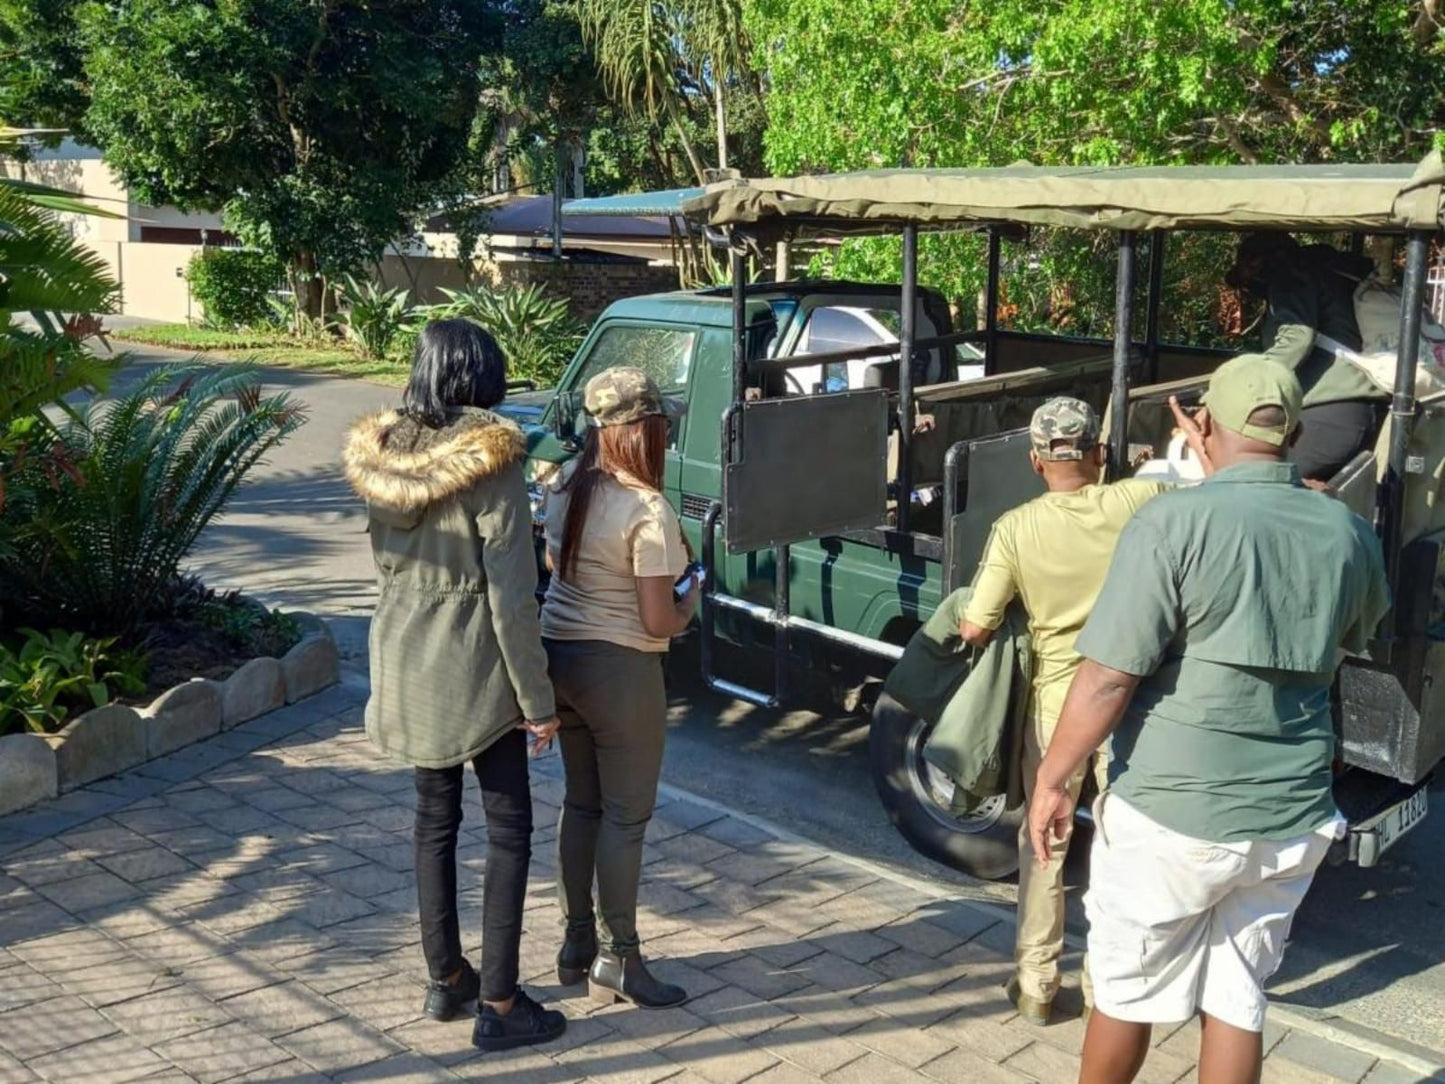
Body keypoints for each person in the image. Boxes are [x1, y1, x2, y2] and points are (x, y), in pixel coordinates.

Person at [1027, 356, 1390, 1084]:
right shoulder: (1345, 530)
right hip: (1289, 817)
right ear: (1290, 430)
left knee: (1126, 994)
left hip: (1174, 812)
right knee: (1235, 997)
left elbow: (1106, 678)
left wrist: (1052, 778)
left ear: (1206, 426)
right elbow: (1354, 637)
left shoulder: (1171, 520)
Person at [343, 319, 567, 1053]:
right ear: (479, 373)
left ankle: (447, 979)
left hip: (406, 654)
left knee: (433, 823)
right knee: (509, 830)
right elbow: (511, 595)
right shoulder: (491, 458)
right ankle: (500, 1006)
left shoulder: (386, 457)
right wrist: (538, 705)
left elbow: (386, 566)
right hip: (476, 664)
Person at [957, 397, 1166, 1026]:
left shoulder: (1017, 528)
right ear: (1100, 456)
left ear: (1035, 461)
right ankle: (1107, 985)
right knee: (1121, 842)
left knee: (1045, 842)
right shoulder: (1137, 502)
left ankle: (1037, 985)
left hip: (1057, 713)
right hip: (1132, 708)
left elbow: (973, 626)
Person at [540, 366, 697, 1010]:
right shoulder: (647, 508)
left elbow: (557, 565)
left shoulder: (564, 482)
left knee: (581, 805)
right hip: (620, 669)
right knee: (625, 817)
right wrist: (693, 601)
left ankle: (576, 944)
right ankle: (621, 957)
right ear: (645, 431)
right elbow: (659, 619)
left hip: (560, 660)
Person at [1226, 232, 1386, 481]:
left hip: (1326, 412)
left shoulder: (1292, 275)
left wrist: (1241, 384)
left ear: (1257, 262)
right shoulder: (1331, 274)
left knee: (1254, 480)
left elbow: (1296, 339)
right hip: (1358, 410)